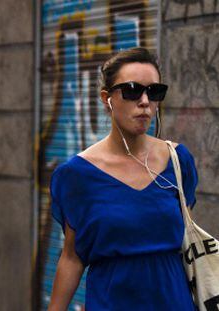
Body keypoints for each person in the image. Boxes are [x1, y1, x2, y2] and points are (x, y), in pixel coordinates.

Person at [47, 47, 198, 310]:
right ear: (107, 99)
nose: (144, 101)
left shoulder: (178, 160)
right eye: (131, 90)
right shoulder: (77, 174)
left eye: (154, 91)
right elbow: (72, 258)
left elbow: (189, 245)